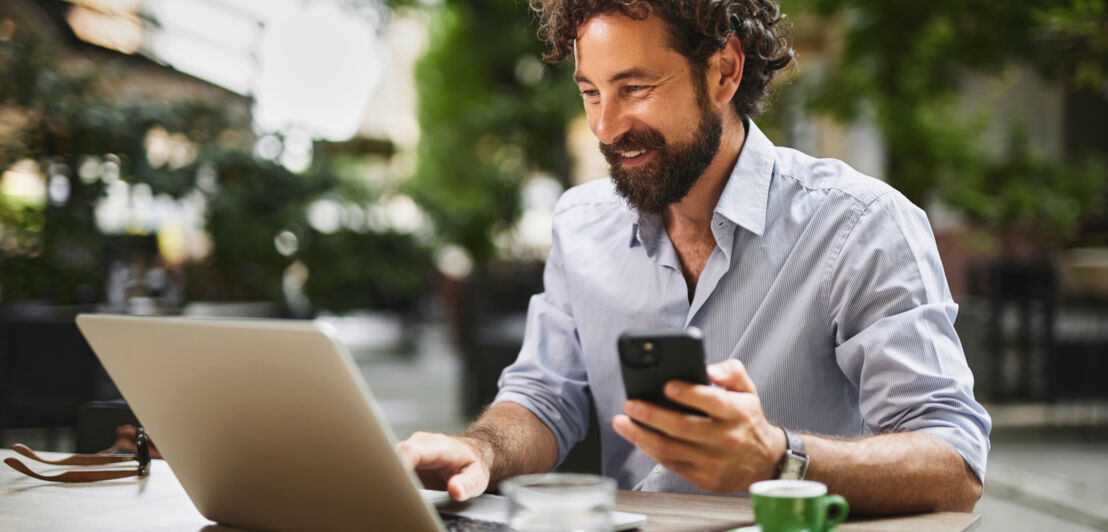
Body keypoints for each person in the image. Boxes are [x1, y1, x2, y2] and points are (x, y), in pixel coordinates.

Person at [398, 0, 991, 515]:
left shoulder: (861, 225)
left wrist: (778, 460)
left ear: (724, 72)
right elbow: (544, 398)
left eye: (635, 88)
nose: (606, 127)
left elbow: (954, 463)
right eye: (590, 92)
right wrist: (479, 451)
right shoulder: (580, 225)